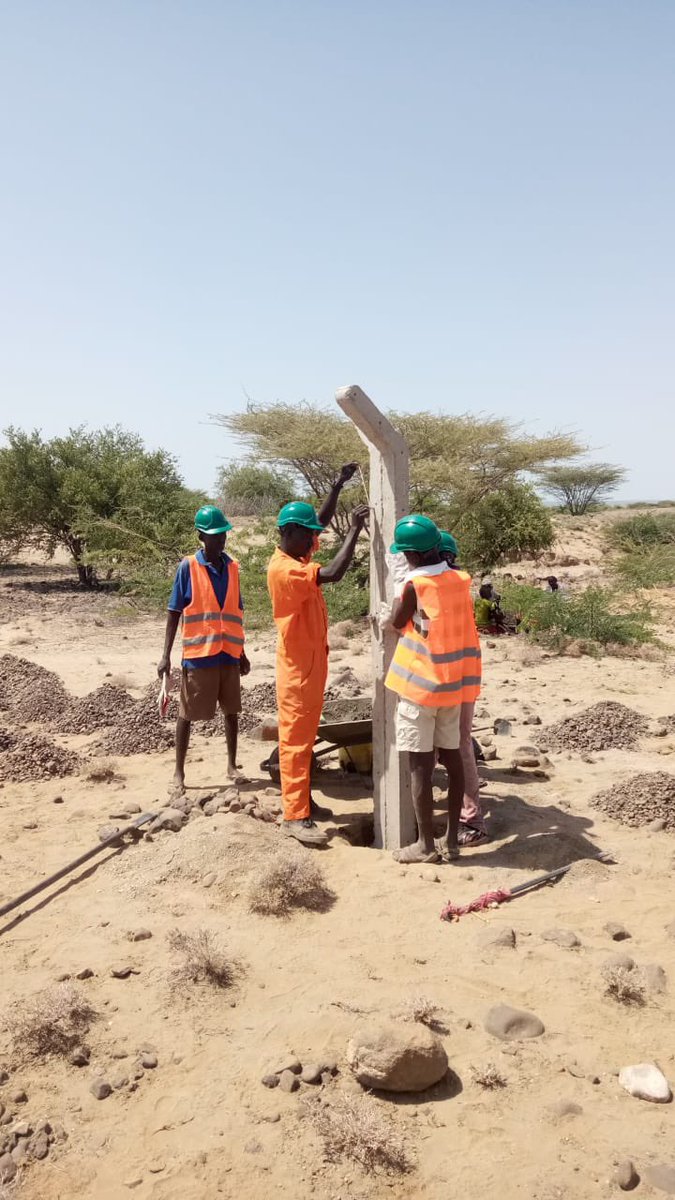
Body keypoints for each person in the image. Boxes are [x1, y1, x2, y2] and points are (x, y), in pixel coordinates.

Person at [267, 465, 370, 847]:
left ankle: (304, 802)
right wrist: (356, 530)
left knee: (305, 740)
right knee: (295, 743)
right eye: (309, 534)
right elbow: (333, 573)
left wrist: (336, 487)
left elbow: (319, 521)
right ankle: (294, 817)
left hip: (309, 666)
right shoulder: (285, 571)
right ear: (291, 533)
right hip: (297, 671)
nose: (315, 538)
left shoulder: (294, 550)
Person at [385, 515, 482, 863]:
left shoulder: (414, 586)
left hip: (421, 688)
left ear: (409, 554)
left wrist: (401, 586)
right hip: (453, 686)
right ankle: (452, 839)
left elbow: (397, 622)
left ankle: (425, 845)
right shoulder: (459, 579)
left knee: (421, 766)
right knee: (453, 758)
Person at [157, 505, 250, 795]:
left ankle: (232, 766)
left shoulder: (233, 568)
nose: (220, 540)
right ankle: (178, 772)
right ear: (201, 536)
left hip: (228, 654)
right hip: (199, 657)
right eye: (214, 535)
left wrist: (242, 652)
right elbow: (174, 612)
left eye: (223, 535)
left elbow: (235, 611)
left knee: (232, 712)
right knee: (187, 714)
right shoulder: (188, 567)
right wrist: (165, 655)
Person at [439, 531, 488, 846]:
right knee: (455, 746)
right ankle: (467, 816)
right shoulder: (455, 582)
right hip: (453, 678)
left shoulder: (447, 586)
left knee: (458, 746)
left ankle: (472, 822)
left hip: (452, 680)